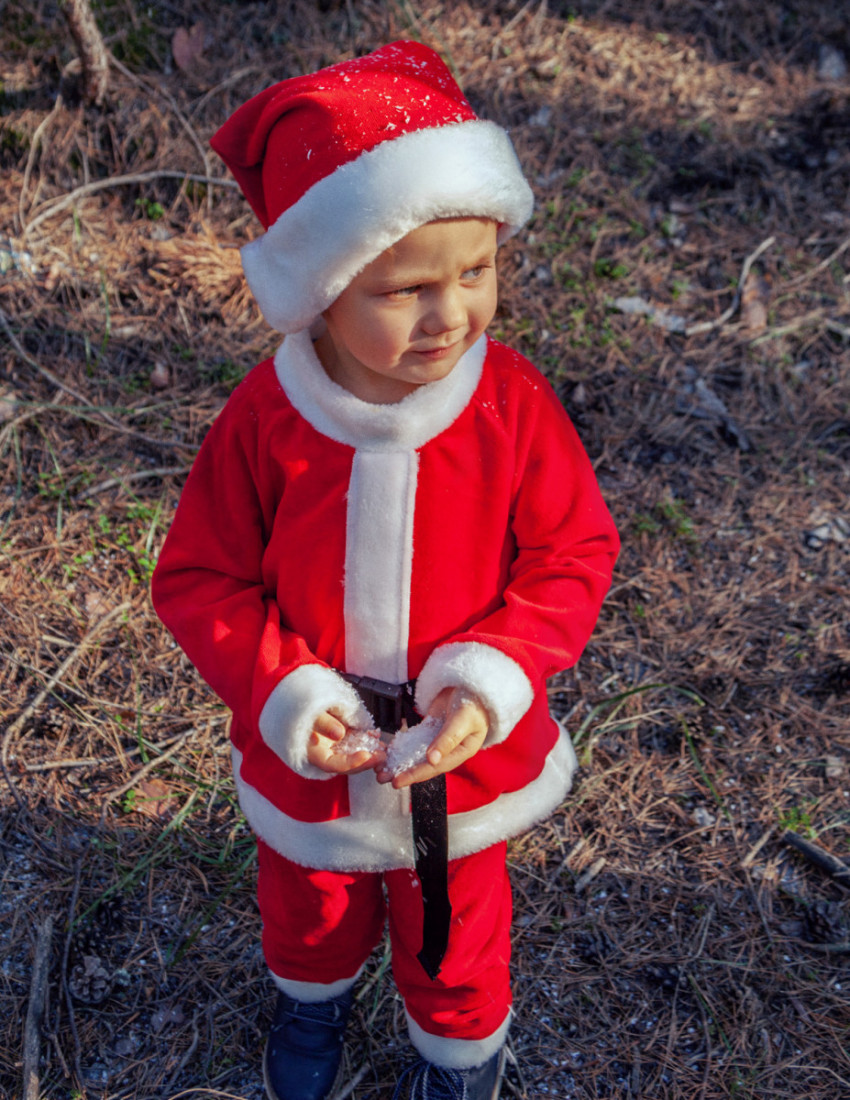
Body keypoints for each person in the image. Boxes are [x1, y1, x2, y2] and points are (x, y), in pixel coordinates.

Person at [151, 39, 619, 1100]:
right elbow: (200, 576)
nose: (449, 314)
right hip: (314, 758)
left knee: (454, 914)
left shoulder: (510, 405)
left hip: (459, 753)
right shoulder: (270, 420)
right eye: (405, 288)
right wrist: (282, 689)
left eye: (476, 272)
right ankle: (310, 999)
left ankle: (456, 1052)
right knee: (308, 901)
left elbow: (571, 551)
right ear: (320, 288)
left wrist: (492, 675)